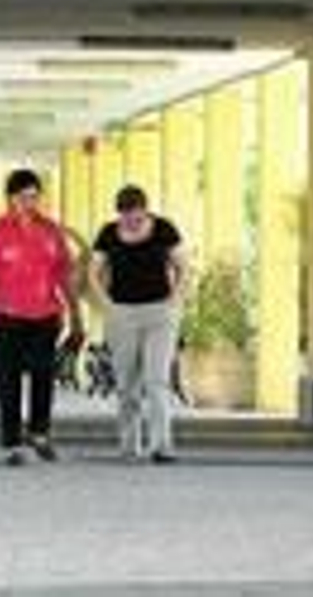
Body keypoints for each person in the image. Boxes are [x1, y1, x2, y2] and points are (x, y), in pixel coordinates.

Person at [0, 168, 84, 465]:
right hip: (5, 315)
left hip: (45, 314)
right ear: (10, 199)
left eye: (35, 197)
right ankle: (11, 442)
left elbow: (64, 276)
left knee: (43, 375)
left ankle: (39, 433)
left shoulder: (51, 231)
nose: (30, 203)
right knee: (9, 380)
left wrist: (75, 314)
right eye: (24, 197)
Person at [90, 185, 188, 463]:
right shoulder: (108, 233)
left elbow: (183, 266)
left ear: (146, 210)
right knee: (126, 383)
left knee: (157, 380)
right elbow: (94, 271)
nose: (131, 222)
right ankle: (129, 444)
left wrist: (175, 300)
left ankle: (161, 445)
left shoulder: (164, 229)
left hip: (159, 313)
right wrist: (105, 304)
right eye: (125, 216)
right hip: (122, 314)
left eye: (136, 216)